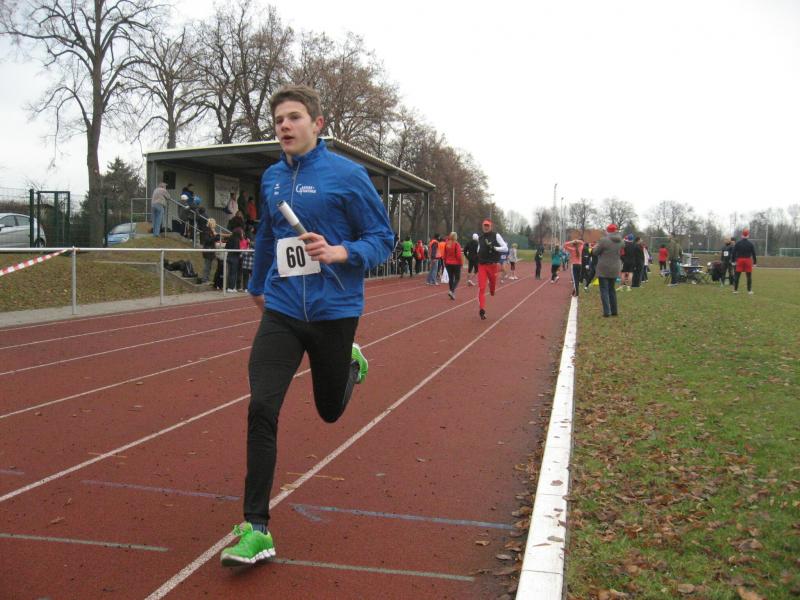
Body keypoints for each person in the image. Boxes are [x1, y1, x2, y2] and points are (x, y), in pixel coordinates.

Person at [219, 84, 394, 567]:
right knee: (262, 406)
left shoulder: (348, 176)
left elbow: (383, 238)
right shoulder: (272, 177)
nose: (284, 126)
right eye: (279, 119)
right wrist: (257, 285)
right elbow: (267, 234)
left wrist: (342, 251)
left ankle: (350, 363)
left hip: (334, 310)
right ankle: (256, 528)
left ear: (317, 124)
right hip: (282, 309)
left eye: (294, 117)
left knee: (329, 411)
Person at [477, 219, 507, 320]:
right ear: (482, 226)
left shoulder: (496, 236)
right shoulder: (480, 238)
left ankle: (492, 289)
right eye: (484, 225)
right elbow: (478, 250)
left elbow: (505, 248)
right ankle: (482, 309)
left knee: (492, 289)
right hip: (482, 266)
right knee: (481, 287)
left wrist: (495, 248)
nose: (486, 227)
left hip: (493, 266)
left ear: (491, 226)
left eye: (488, 225)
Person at [593, 224, 623, 317]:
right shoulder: (621, 241)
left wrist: (595, 247)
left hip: (604, 268)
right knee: (612, 289)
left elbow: (595, 252)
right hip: (615, 267)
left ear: (608, 231)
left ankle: (607, 312)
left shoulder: (604, 240)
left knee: (604, 290)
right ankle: (614, 311)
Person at [732, 229, 757, 294]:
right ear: (748, 235)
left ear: (742, 235)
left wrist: (733, 261)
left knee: (737, 275)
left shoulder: (738, 243)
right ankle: (749, 291)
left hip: (740, 260)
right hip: (748, 260)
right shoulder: (750, 244)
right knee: (749, 276)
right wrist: (754, 262)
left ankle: (735, 290)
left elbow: (734, 252)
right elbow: (754, 254)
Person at [442, 231, 463, 299]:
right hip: (456, 263)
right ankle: (452, 291)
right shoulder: (456, 244)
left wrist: (445, 262)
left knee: (451, 278)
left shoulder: (447, 244)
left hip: (448, 263)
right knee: (457, 278)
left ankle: (451, 292)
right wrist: (461, 263)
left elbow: (444, 254)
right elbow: (458, 255)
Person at [200, 218, 219, 284]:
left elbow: (216, 238)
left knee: (209, 266)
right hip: (208, 250)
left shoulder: (211, 231)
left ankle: (207, 278)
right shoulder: (207, 231)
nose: (215, 225)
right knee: (207, 265)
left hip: (211, 250)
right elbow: (207, 240)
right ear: (211, 224)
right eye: (214, 224)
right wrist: (215, 237)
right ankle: (204, 279)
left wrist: (216, 236)